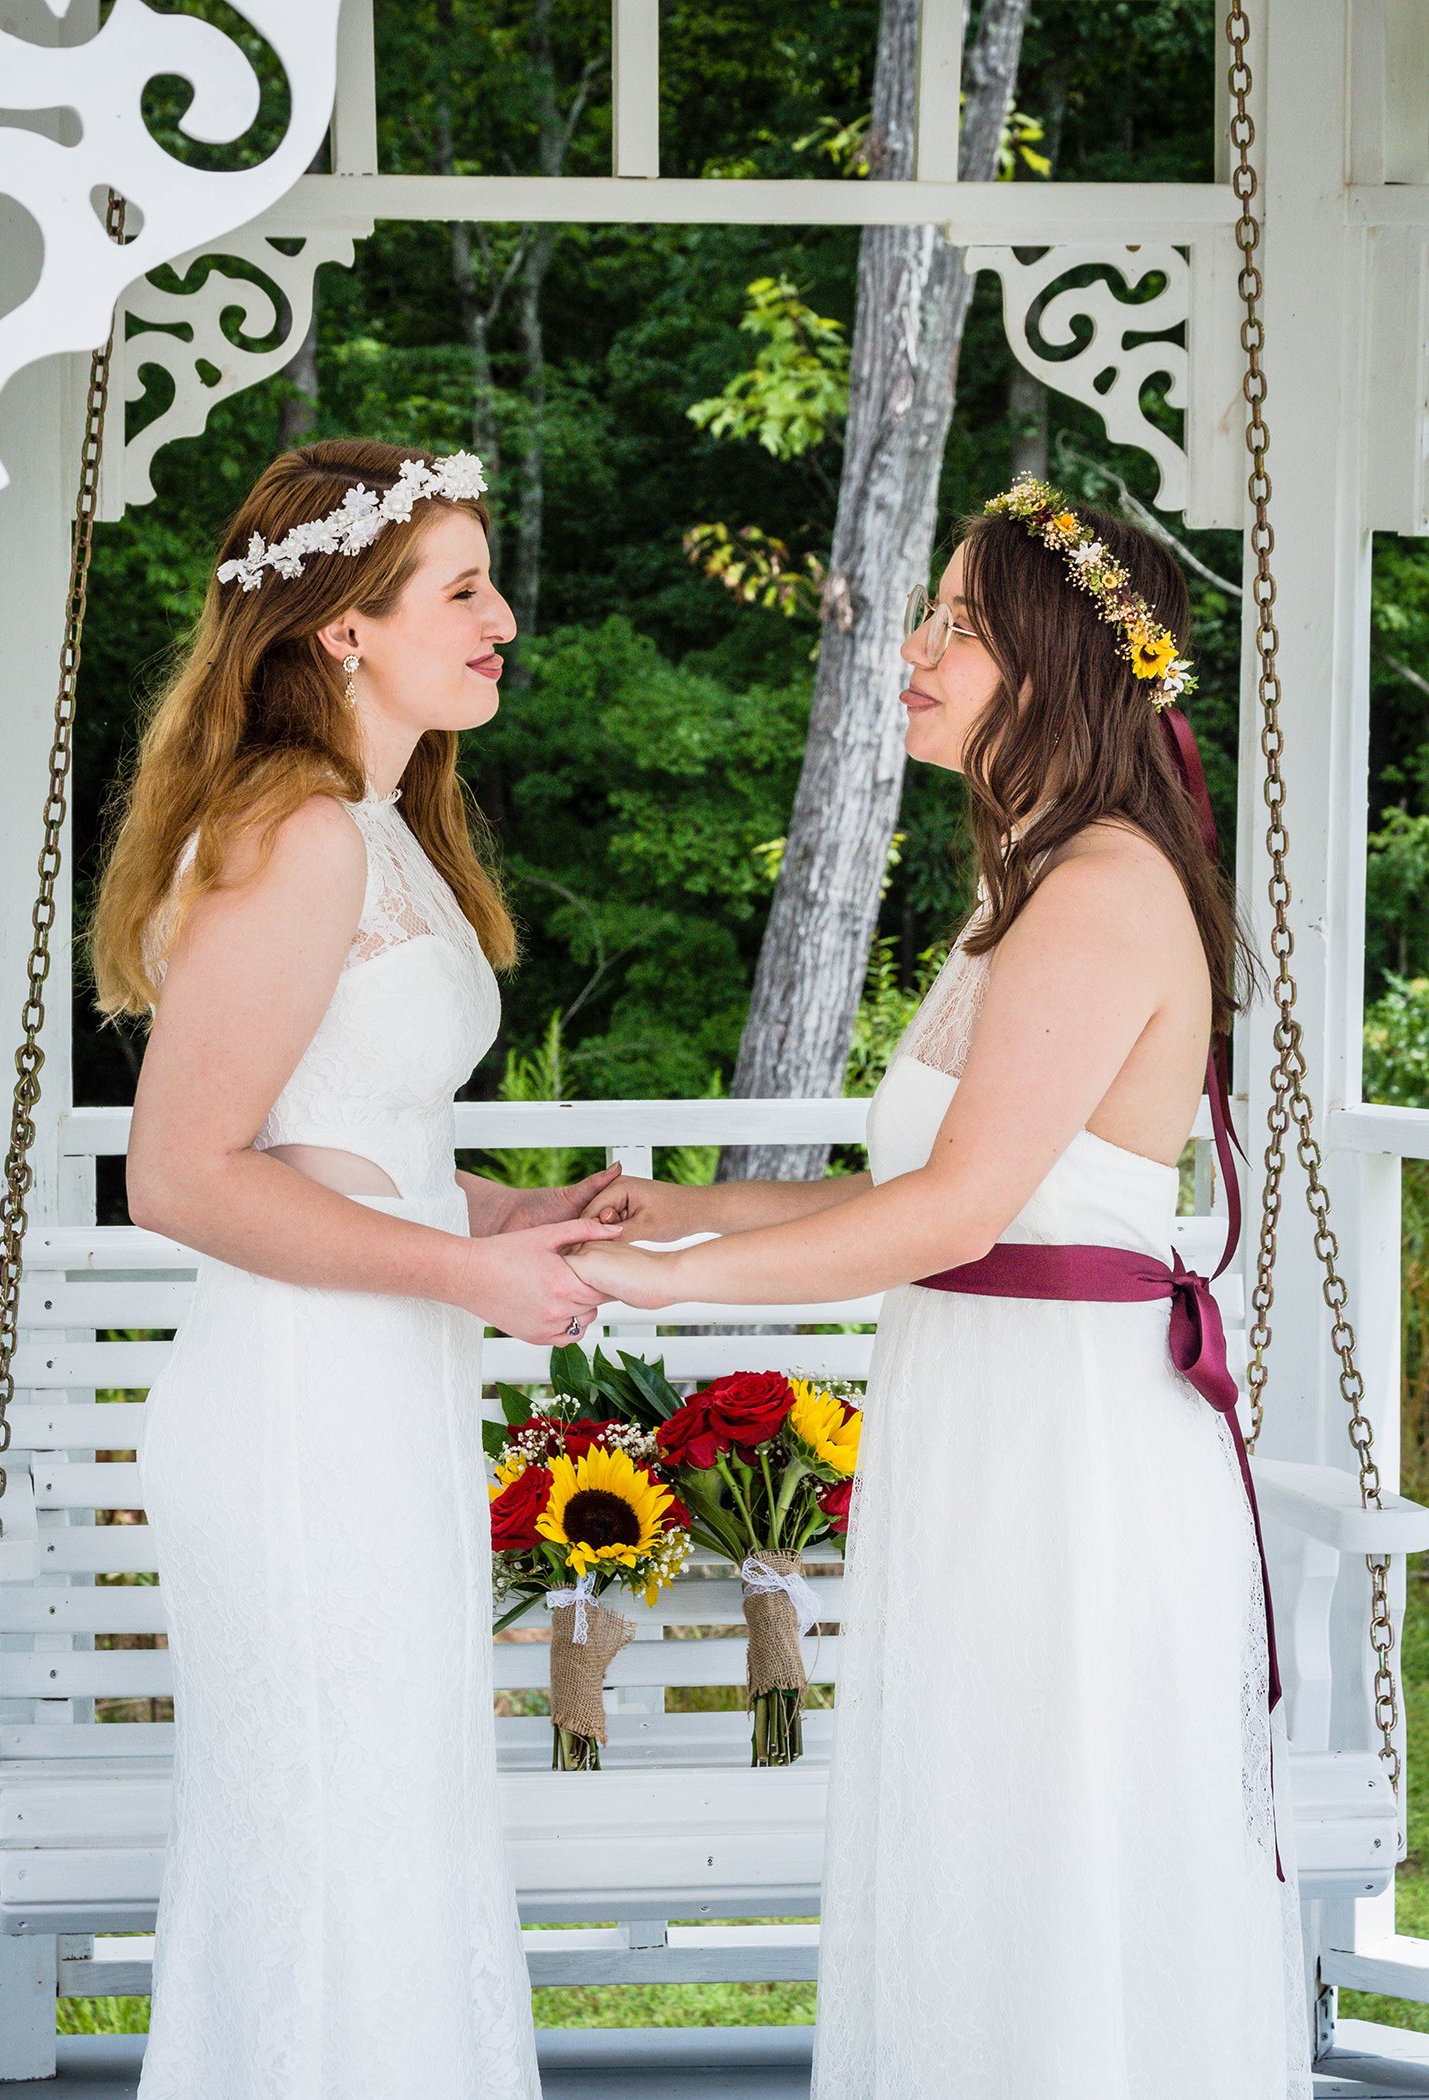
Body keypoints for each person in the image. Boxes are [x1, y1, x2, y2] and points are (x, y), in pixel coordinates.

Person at [570, 481, 1313, 2098]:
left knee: (1048, 1863)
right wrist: (682, 1206)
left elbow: (956, 1213)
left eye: (959, 628)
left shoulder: (1103, 888)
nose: (912, 649)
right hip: (987, 1419)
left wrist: (658, 1291)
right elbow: (933, 1185)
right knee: (973, 1837)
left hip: (1066, 1455)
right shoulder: (1018, 893)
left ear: (1057, 669)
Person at [90, 438, 622, 2100]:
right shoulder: (298, 833)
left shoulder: (382, 829)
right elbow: (180, 1172)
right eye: (461, 590)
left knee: (387, 1819)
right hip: (297, 1412)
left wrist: (504, 1219)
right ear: (341, 630)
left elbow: (345, 1138)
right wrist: (466, 1281)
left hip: (371, 1392)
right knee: (332, 1830)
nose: (504, 618)